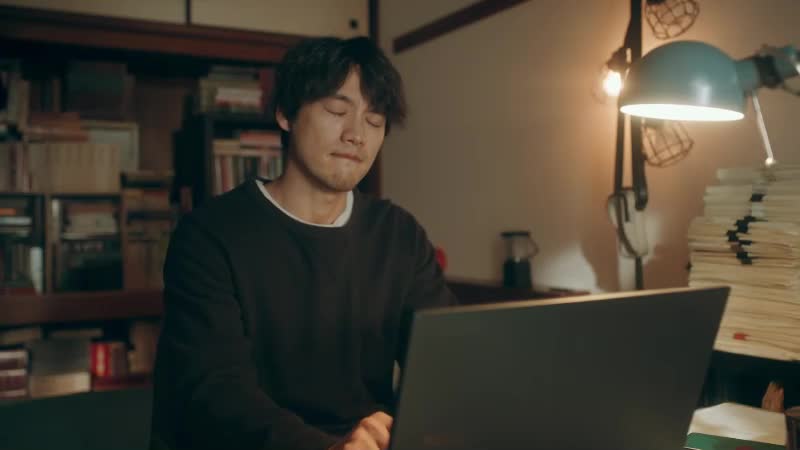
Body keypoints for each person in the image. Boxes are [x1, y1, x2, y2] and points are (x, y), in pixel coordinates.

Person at [150, 36, 457, 450]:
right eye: (337, 111)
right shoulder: (209, 235)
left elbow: (444, 360)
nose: (356, 135)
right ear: (285, 113)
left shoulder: (398, 235)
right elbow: (216, 391)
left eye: (374, 120)